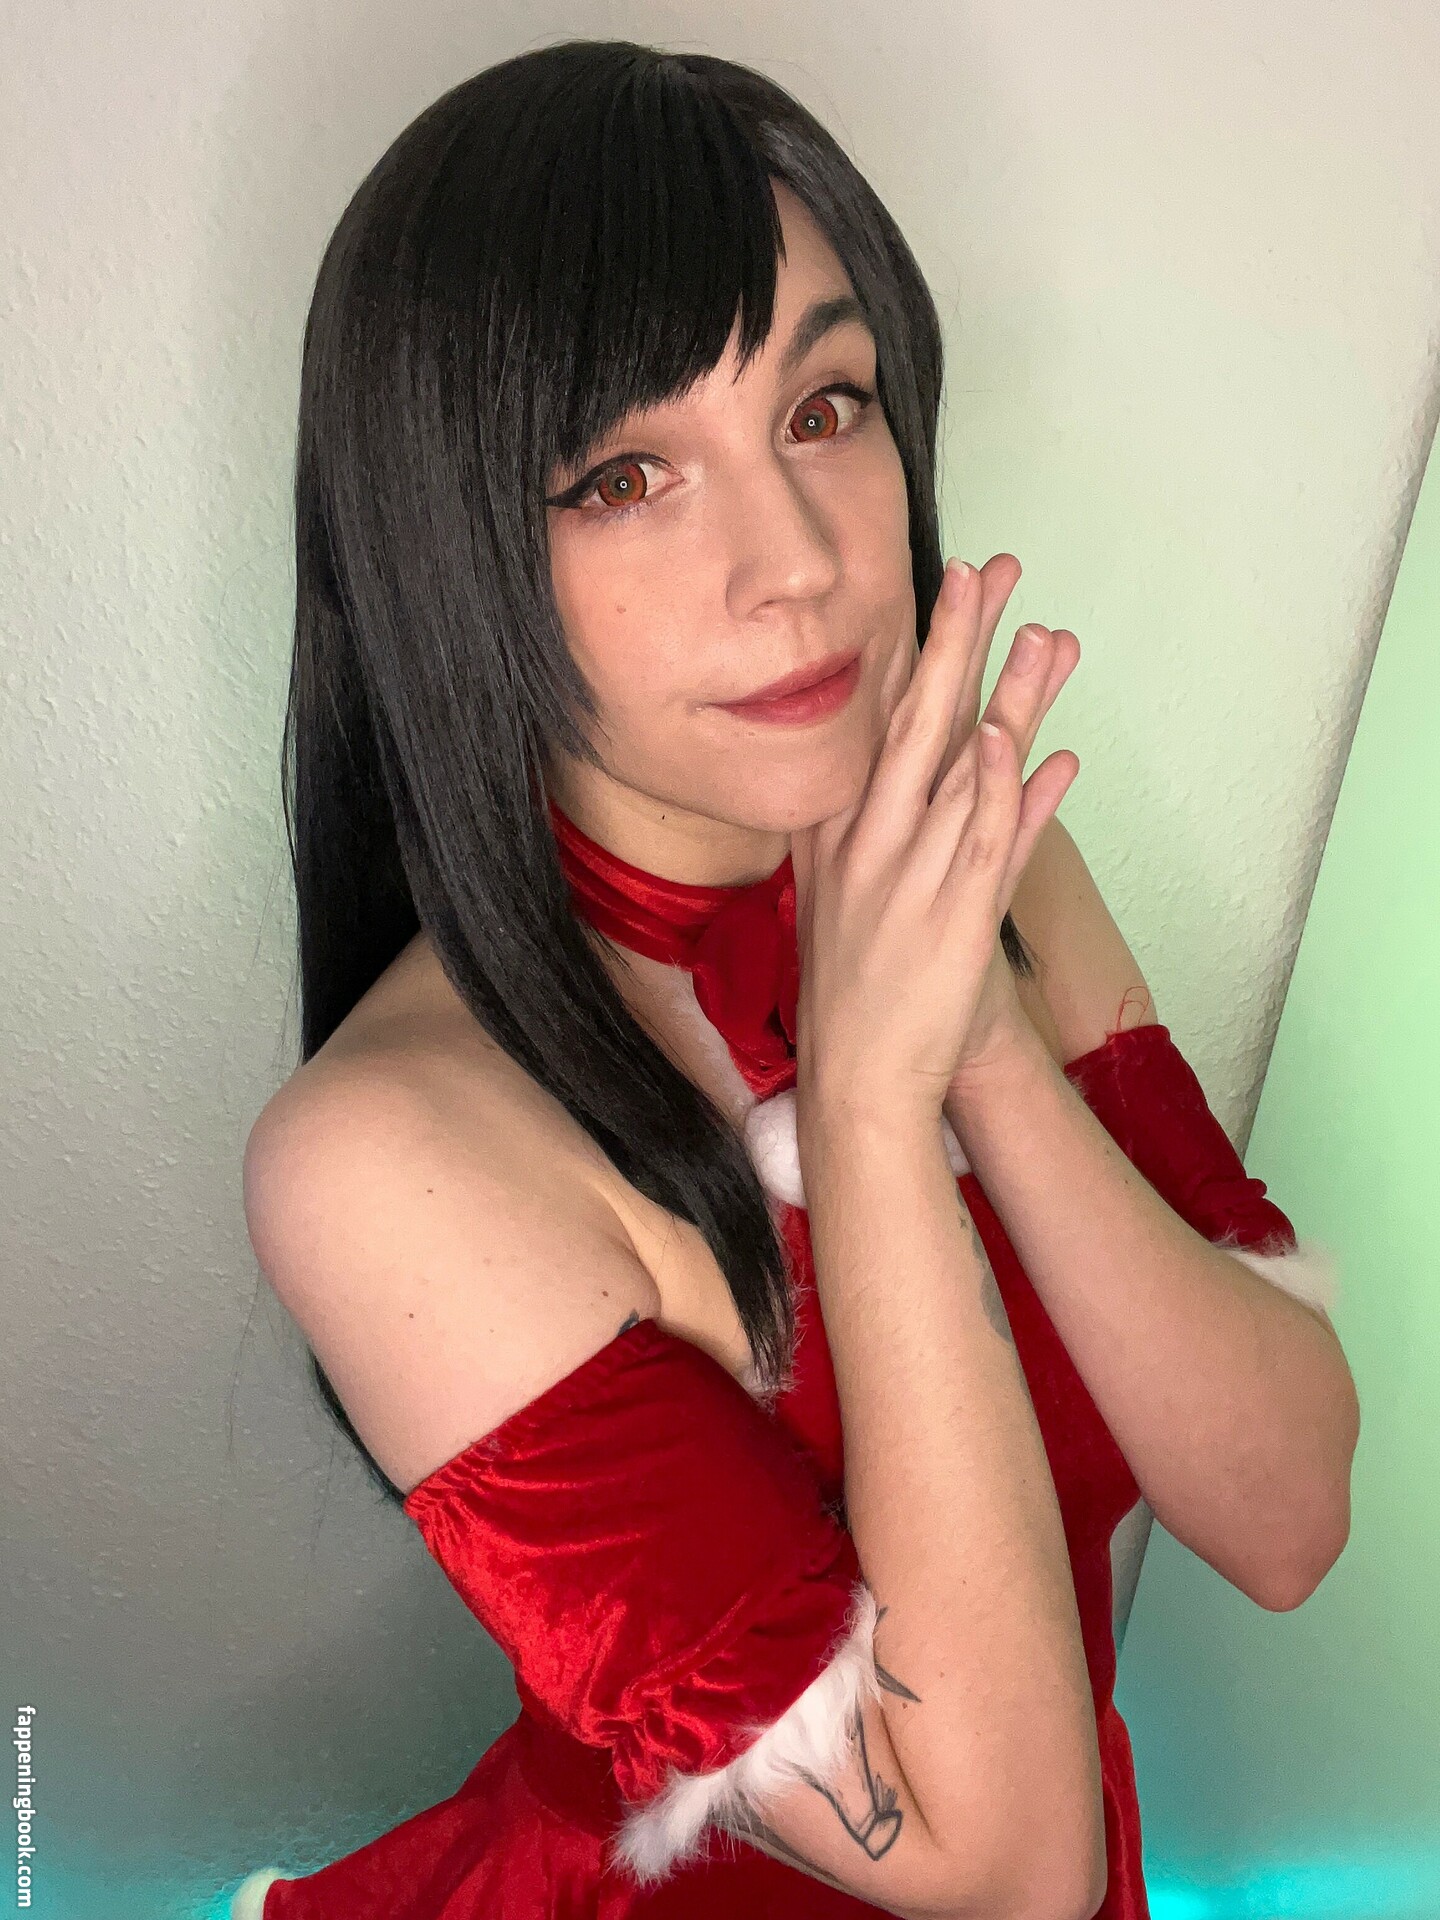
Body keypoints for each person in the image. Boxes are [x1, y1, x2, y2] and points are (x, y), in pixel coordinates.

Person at [231, 39, 1356, 1920]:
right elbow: (999, 1868)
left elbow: (1290, 1513)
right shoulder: (381, 1153)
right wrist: (867, 1102)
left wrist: (976, 1035)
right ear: (451, 556)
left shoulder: (987, 856)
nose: (800, 563)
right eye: (625, 473)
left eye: (825, 408)